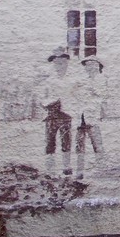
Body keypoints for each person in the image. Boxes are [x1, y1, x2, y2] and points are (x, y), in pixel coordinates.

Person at [40, 47, 76, 175]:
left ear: (66, 62)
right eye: (56, 62)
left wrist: (70, 106)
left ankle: (66, 165)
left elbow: (76, 96)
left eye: (61, 62)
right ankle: (50, 168)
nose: (59, 65)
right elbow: (42, 98)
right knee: (50, 140)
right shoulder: (48, 81)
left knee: (66, 140)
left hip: (66, 114)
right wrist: (49, 103)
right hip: (52, 114)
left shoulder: (71, 80)